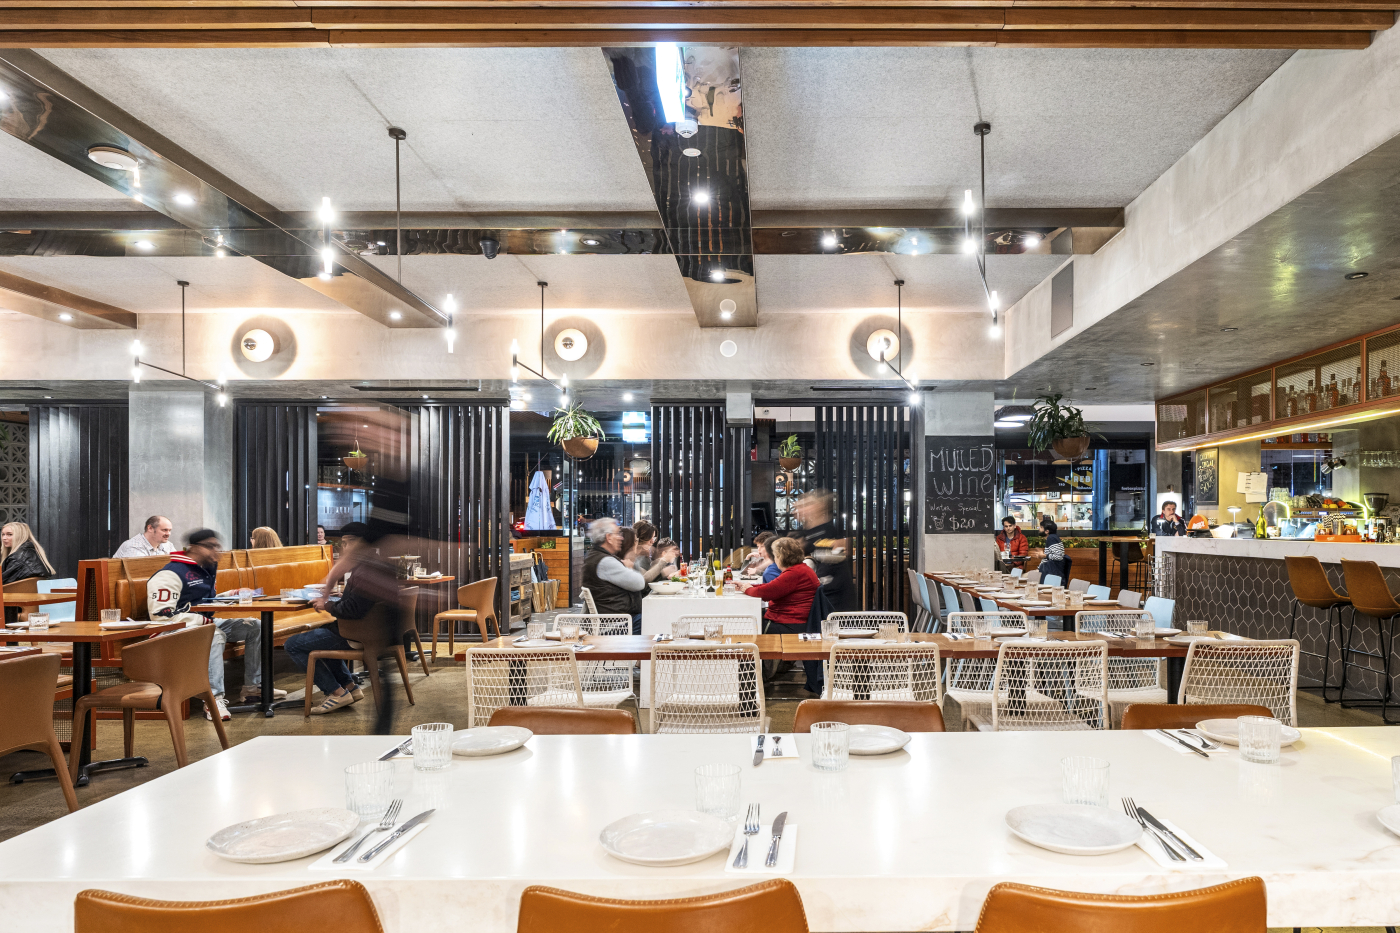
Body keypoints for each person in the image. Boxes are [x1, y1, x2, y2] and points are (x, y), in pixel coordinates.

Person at [147, 528, 286, 721]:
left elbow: (201, 601)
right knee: (214, 634)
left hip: (201, 623)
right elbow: (161, 616)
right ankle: (213, 700)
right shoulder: (170, 574)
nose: (216, 551)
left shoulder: (204, 569)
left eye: (217, 546)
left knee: (255, 626)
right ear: (194, 548)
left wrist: (230, 595)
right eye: (210, 546)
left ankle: (252, 688)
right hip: (171, 632)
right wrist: (203, 622)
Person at [285, 521, 401, 715]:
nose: (344, 548)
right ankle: (350, 687)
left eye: (347, 543)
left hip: (358, 635)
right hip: (376, 633)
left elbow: (354, 610)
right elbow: (363, 603)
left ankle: (336, 692)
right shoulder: (378, 565)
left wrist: (327, 605)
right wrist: (342, 596)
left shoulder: (365, 571)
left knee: (293, 644)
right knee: (322, 638)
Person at [738, 537, 822, 695]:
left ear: (782, 556)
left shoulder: (794, 573)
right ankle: (761, 681)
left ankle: (751, 691)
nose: (774, 559)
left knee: (747, 636)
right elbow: (772, 587)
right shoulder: (800, 570)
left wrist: (746, 588)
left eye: (775, 556)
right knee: (753, 627)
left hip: (789, 624)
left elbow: (767, 592)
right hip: (795, 621)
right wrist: (748, 586)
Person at [794, 489, 856, 612]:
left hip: (835, 599)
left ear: (820, 507)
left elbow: (827, 568)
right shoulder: (806, 534)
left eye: (806, 505)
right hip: (821, 595)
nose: (800, 510)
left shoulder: (829, 532)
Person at [582, 518, 647, 632]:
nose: (621, 538)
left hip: (613, 620)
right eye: (618, 533)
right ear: (609, 537)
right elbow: (639, 583)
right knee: (655, 618)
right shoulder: (605, 562)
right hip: (615, 625)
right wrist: (630, 568)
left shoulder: (596, 557)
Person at [1039, 519, 1068, 583]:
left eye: (1041, 527)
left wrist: (1044, 556)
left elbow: (1058, 556)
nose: (1039, 529)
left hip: (1052, 576)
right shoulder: (1053, 537)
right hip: (1051, 574)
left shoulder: (1051, 538)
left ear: (1047, 531)